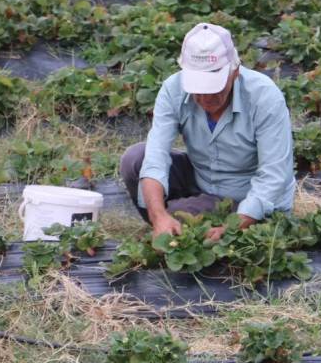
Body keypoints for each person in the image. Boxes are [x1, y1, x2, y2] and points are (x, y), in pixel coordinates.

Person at [119, 22, 295, 242]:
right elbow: (155, 159)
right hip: (201, 180)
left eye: (214, 87)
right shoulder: (173, 89)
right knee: (135, 159)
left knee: (184, 217)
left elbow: (274, 176)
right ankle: (168, 225)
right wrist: (158, 216)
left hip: (247, 197)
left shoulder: (264, 97)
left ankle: (186, 224)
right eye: (198, 89)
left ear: (235, 71)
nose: (205, 98)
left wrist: (232, 227)